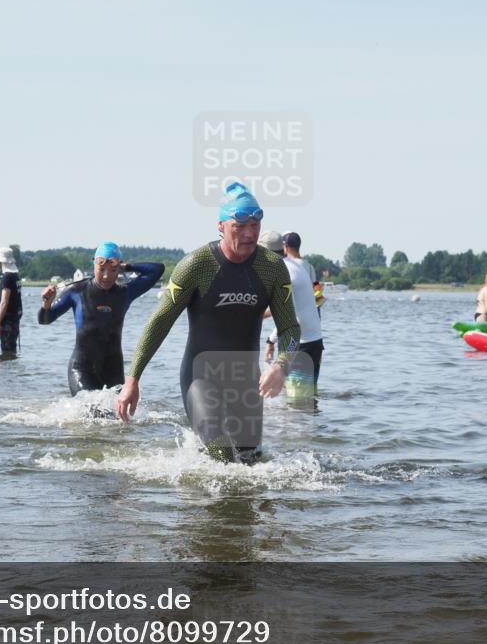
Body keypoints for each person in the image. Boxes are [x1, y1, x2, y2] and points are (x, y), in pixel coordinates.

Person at [115, 182, 300, 463]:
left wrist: (281, 365)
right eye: (240, 226)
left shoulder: (271, 268)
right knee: (221, 451)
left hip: (246, 383)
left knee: (250, 462)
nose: (250, 233)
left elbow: (289, 328)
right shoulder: (197, 265)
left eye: (255, 224)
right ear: (221, 226)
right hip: (200, 378)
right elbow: (160, 322)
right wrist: (133, 379)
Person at [38, 242, 164, 395]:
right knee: (93, 411)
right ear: (94, 266)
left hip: (113, 371)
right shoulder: (76, 291)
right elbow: (45, 320)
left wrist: (126, 266)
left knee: (117, 418)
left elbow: (157, 270)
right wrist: (46, 304)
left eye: (112, 270)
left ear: (118, 268)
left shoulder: (125, 293)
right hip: (82, 369)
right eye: (101, 269)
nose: (106, 276)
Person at [261, 231, 324, 396]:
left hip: (302, 344)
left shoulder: (285, 272)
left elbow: (285, 314)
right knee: (306, 399)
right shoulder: (294, 265)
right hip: (312, 341)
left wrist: (270, 338)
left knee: (298, 403)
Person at [0, 247, 23, 356]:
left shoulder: (7, 277)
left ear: (1, 262)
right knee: (11, 353)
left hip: (8, 322)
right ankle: (11, 373)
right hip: (14, 321)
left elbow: (4, 301)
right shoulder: (15, 276)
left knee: (6, 354)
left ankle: (4, 373)